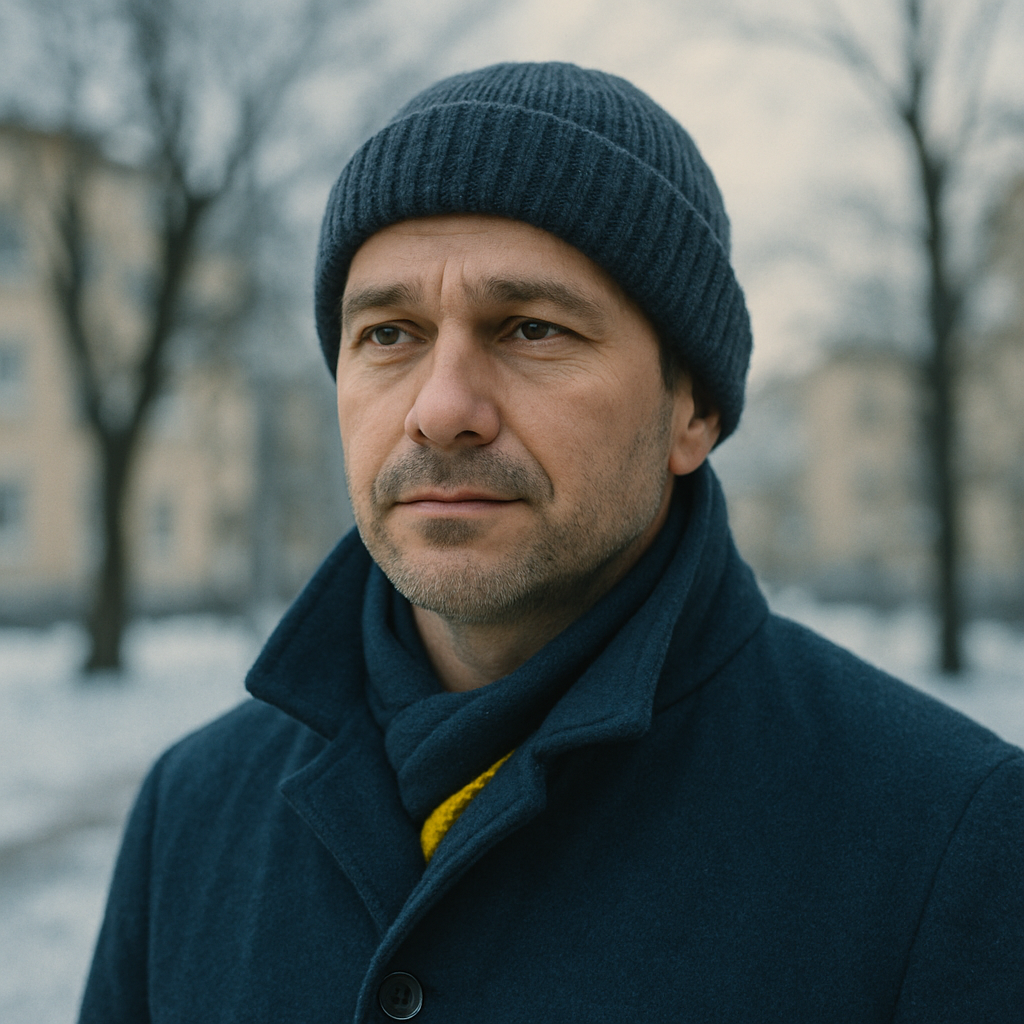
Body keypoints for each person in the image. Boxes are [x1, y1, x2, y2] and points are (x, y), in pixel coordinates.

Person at [79, 62, 1023, 1023]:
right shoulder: (189, 813)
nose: (441, 409)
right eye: (389, 335)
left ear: (693, 411)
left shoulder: (949, 841)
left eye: (531, 329)